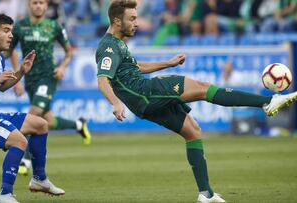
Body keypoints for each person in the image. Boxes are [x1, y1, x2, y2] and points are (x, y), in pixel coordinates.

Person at [95, 1, 297, 202]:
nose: (136, 23)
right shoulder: (108, 47)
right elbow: (102, 79)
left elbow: (136, 67)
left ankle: (206, 194)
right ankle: (267, 102)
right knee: (202, 88)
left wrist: (168, 63)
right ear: (116, 20)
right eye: (132, 19)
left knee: (192, 131)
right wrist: (115, 102)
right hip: (145, 92)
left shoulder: (119, 43)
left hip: (142, 102)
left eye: (136, 18)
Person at [0, 13, 65, 203]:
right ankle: (4, 194)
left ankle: (39, 179)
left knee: (41, 124)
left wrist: (21, 72)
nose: (10, 36)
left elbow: (0, 86)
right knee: (20, 141)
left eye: (11, 31)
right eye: (6, 31)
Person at [9, 0, 92, 175]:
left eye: (41, 3)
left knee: (32, 116)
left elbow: (69, 52)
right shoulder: (20, 27)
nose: (38, 6)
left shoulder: (54, 26)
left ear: (46, 6)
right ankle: (79, 124)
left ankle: (24, 159)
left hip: (48, 78)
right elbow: (10, 50)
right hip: (30, 79)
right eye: (34, 3)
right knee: (48, 121)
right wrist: (17, 77)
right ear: (29, 6)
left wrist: (62, 67)